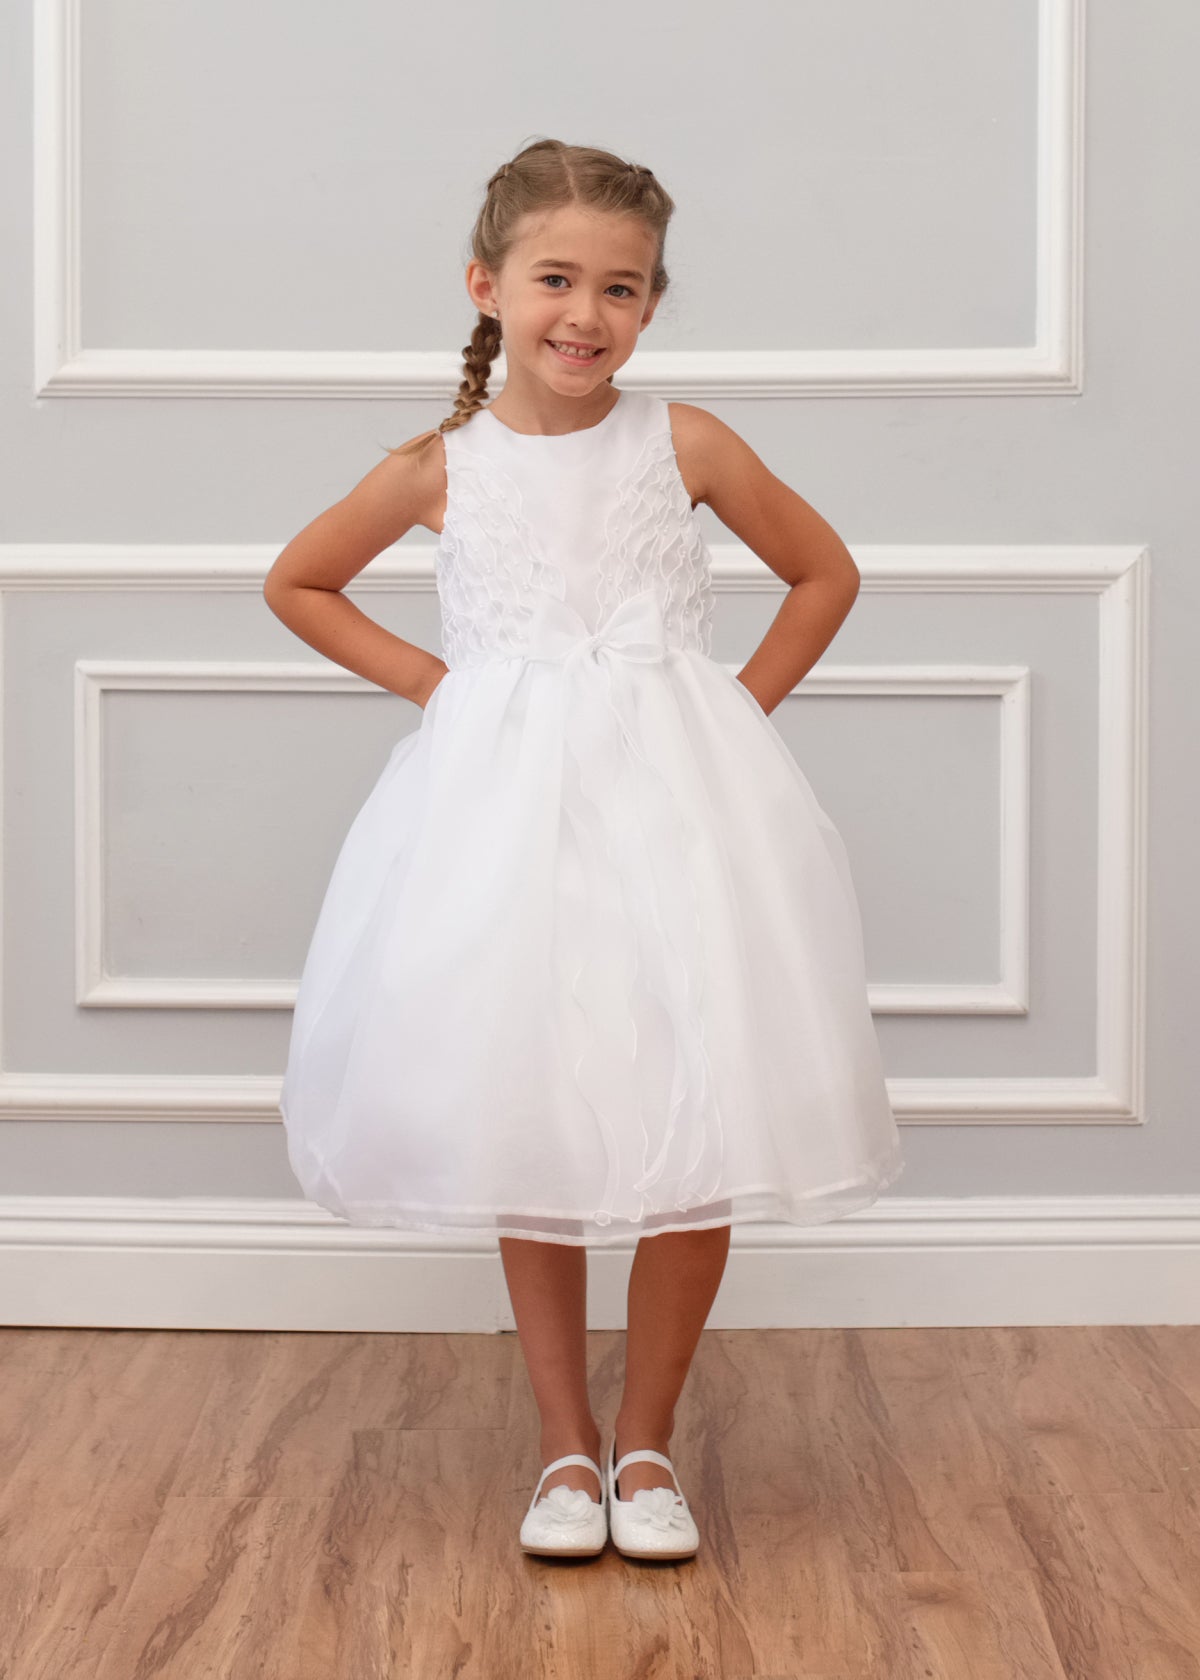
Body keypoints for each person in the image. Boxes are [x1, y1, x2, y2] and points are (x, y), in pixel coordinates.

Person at [263, 137, 905, 1561]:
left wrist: (729, 714)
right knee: (533, 1105)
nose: (586, 314)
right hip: (507, 830)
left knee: (703, 1104)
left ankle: (648, 1441)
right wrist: (443, 687)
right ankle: (565, 1446)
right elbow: (298, 581)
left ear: (653, 304)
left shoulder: (687, 444)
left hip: (683, 823)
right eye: (556, 279)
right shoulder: (439, 468)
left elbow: (826, 571)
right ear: (486, 286)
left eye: (622, 288)